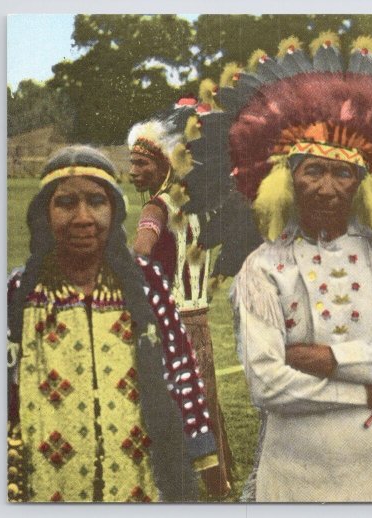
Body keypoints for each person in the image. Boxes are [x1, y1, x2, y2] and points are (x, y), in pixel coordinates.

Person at [202, 34, 372, 501]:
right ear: (287, 180)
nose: (327, 188)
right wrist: (368, 392)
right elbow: (267, 383)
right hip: (293, 475)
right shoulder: (263, 267)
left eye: (343, 173)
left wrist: (329, 359)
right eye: (312, 171)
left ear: (363, 185)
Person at [6, 146, 217, 502]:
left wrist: (197, 447)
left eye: (96, 201)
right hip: (45, 486)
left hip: (137, 484)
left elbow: (181, 369)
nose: (83, 217)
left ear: (115, 210)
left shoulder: (145, 282)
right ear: (44, 212)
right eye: (66, 203)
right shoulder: (18, 294)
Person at [127, 110, 233, 497]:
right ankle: (216, 482)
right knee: (201, 399)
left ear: (163, 164)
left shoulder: (156, 207)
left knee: (168, 406)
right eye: (131, 163)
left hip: (168, 323)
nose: (133, 171)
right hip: (198, 322)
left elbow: (140, 254)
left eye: (141, 163)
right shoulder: (196, 202)